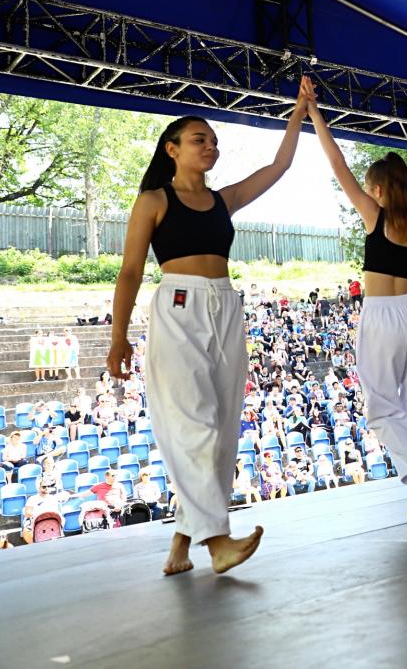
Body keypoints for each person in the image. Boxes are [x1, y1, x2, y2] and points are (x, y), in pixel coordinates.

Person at [106, 77, 309, 576]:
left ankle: (181, 546)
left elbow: (279, 167)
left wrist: (299, 113)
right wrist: (118, 336)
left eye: (214, 141)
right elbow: (130, 271)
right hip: (178, 308)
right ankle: (217, 542)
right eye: (200, 139)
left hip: (225, 306)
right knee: (194, 423)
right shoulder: (154, 200)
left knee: (220, 430)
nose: (210, 146)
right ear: (172, 149)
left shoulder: (224, 200)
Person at [309, 95, 407, 522]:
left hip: (381, 315)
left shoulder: (375, 216)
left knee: (380, 405)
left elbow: (336, 163)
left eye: (368, 186)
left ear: (377, 190)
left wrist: (315, 114)